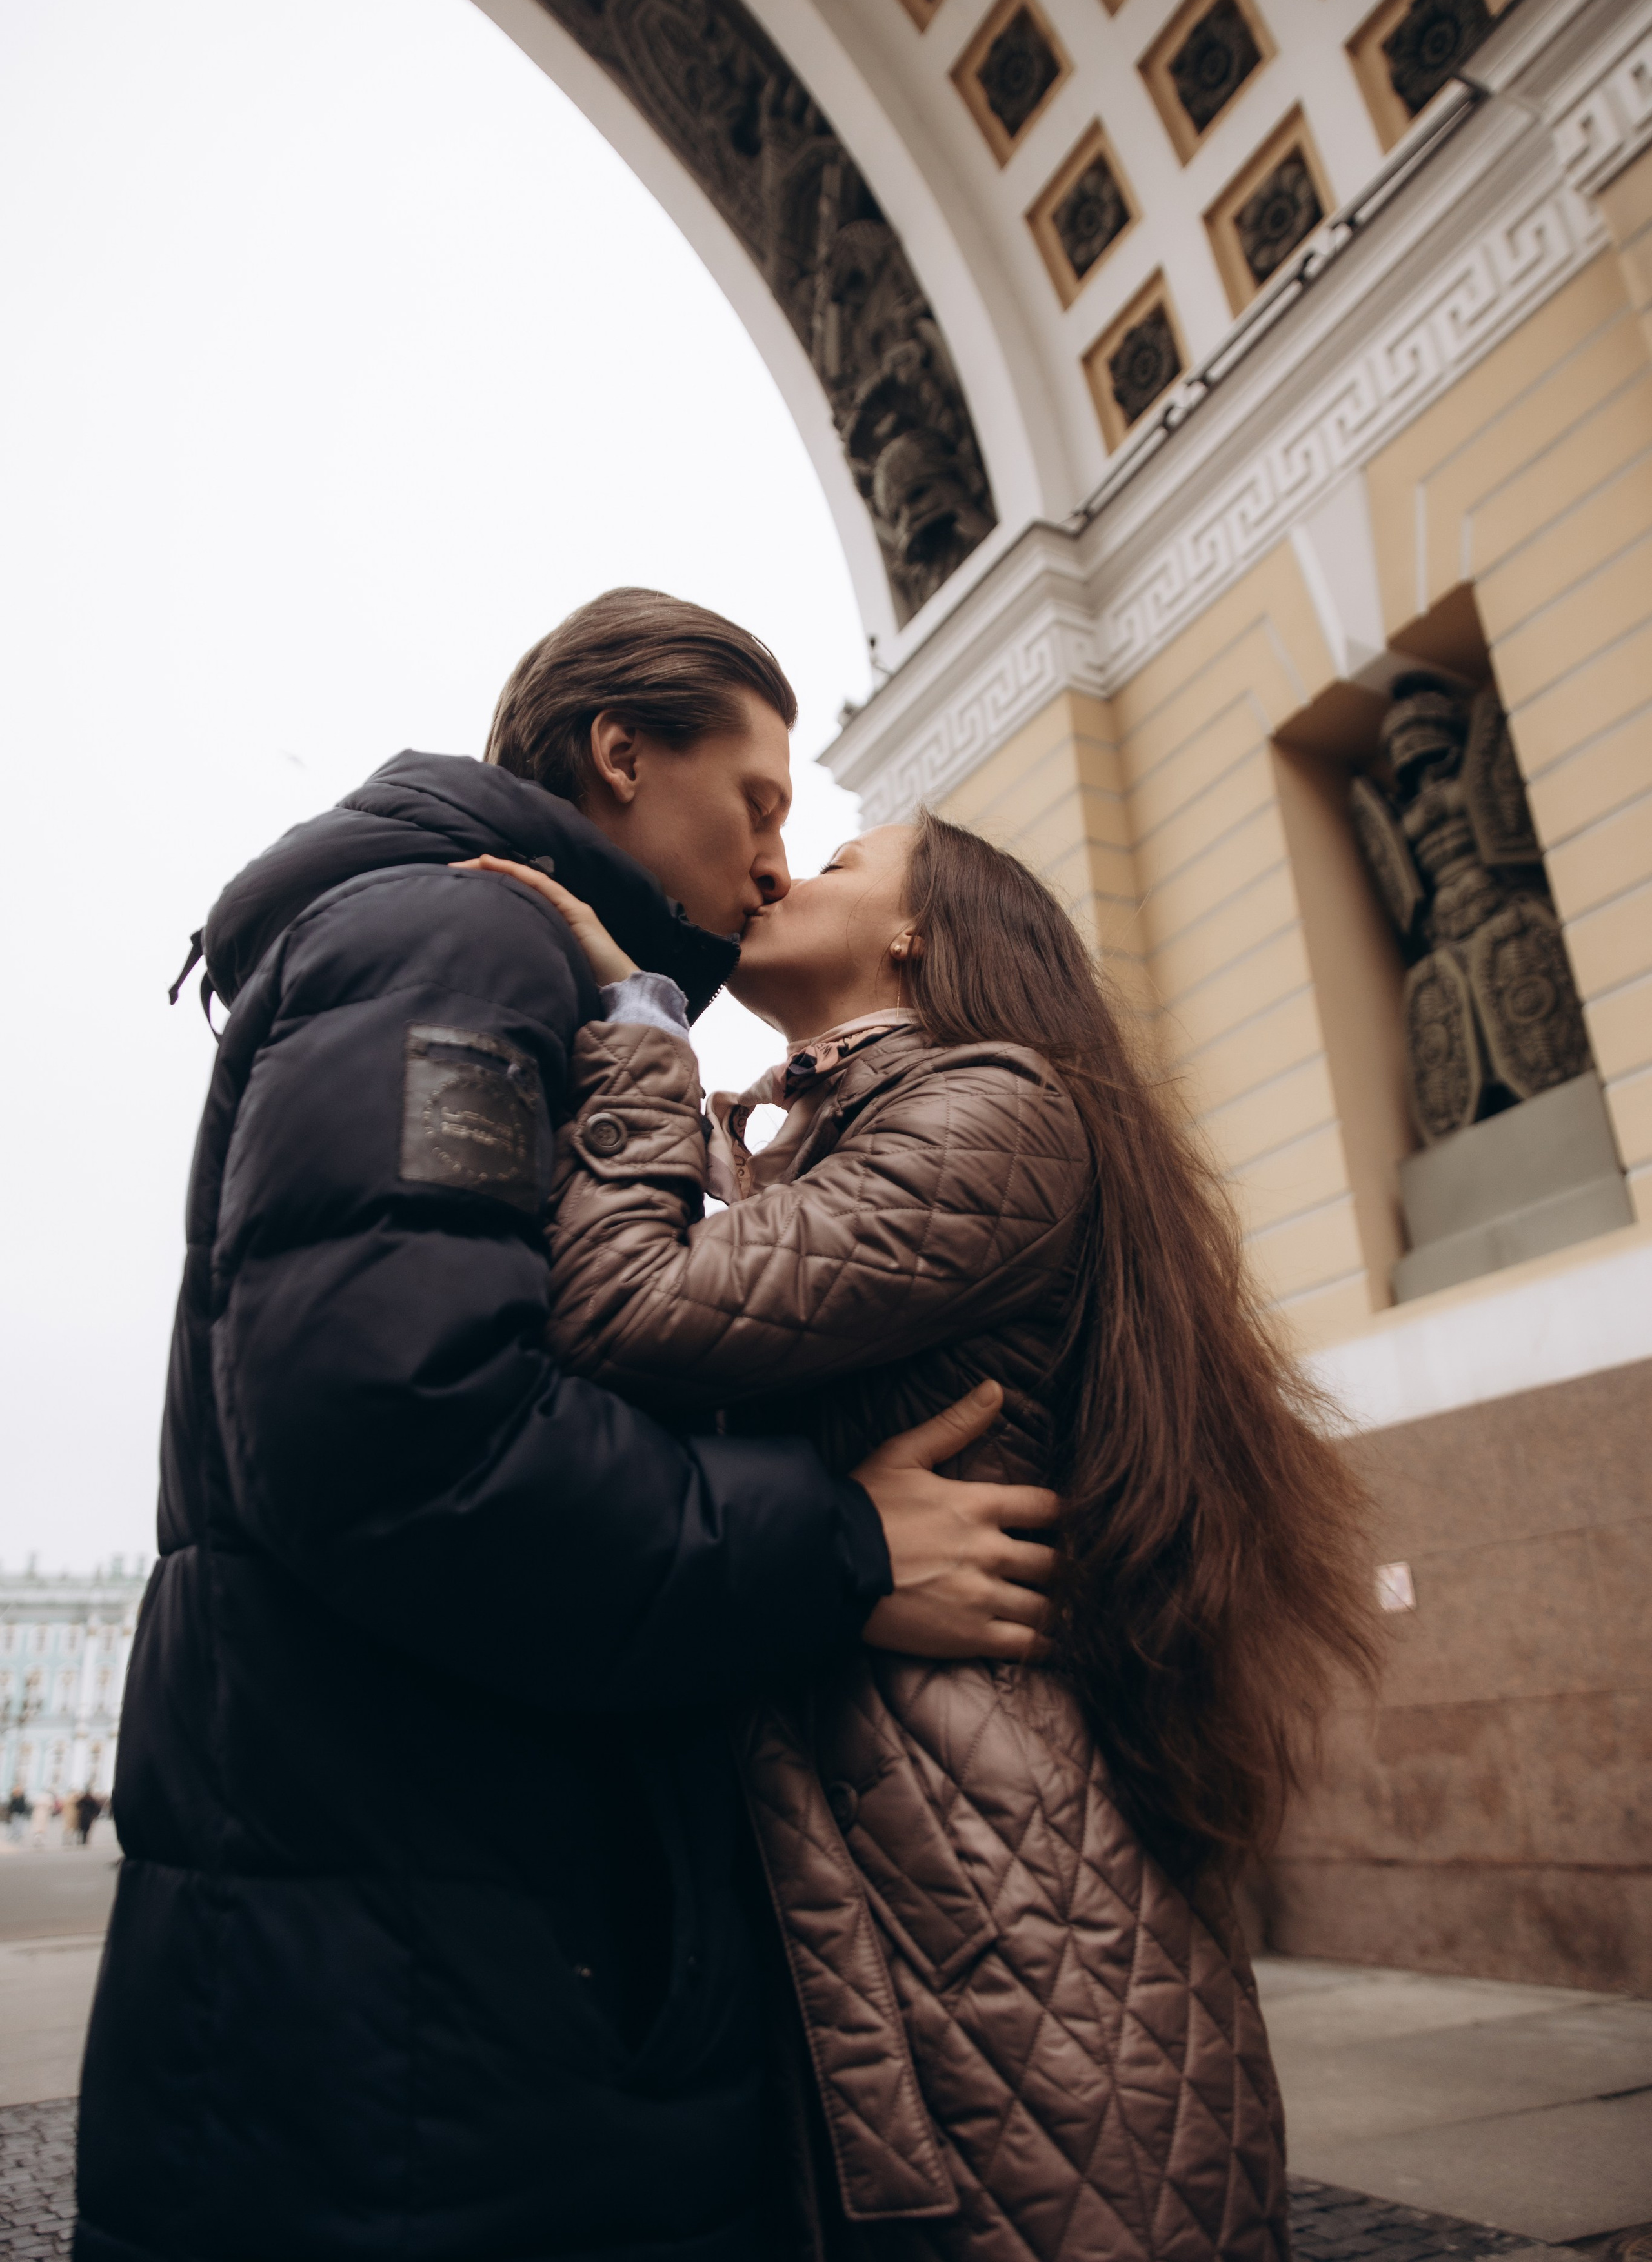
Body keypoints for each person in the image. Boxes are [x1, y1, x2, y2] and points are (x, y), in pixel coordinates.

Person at [74, 591, 1059, 2262]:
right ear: (621, 754)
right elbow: (405, 1436)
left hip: (448, 1961)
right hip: (432, 2021)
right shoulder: (459, 950)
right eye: (754, 799)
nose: (774, 855)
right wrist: (840, 1544)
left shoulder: (516, 971)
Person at [495, 811, 1382, 2261]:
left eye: (837, 861)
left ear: (918, 933)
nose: (782, 870)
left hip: (982, 1871)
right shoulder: (823, 1135)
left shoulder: (996, 1110)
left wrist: (636, 1024)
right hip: (894, 1826)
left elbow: (629, 1309)